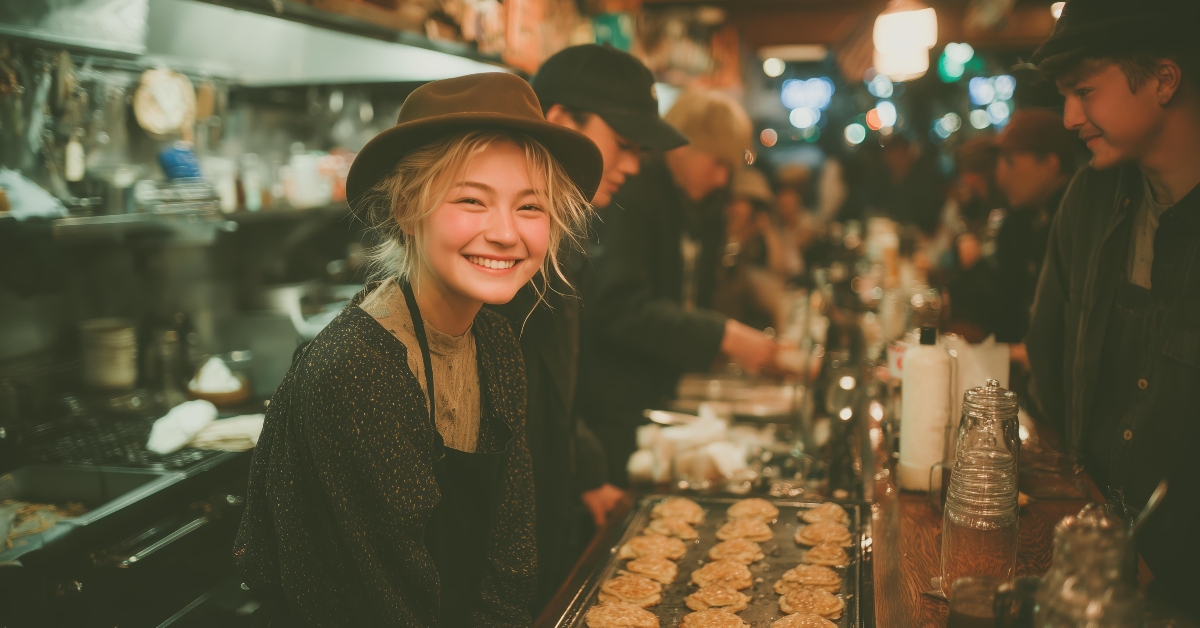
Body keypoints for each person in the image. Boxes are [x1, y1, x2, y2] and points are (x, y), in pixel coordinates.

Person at [233, 73, 601, 627]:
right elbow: (385, 606)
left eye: (530, 208)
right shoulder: (358, 371)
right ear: (407, 209)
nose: (506, 233)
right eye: (472, 200)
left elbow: (510, 561)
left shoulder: (496, 344)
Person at [487, 44, 689, 613]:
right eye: (623, 144)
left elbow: (548, 389)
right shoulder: (500, 254)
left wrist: (587, 473)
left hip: (545, 531)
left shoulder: (562, 238)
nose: (633, 164)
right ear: (559, 122)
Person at [1026, 0, 1200, 617]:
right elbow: (1047, 352)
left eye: (1084, 91)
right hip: (1088, 565)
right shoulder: (1090, 197)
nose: (1070, 117)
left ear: (1164, 79)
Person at [579, 89, 779, 487]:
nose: (724, 178)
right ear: (681, 148)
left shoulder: (702, 202)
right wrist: (723, 335)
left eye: (730, 168)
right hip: (614, 398)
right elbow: (619, 309)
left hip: (664, 387)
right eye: (717, 163)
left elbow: (694, 296)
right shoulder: (632, 195)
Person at [991, 108, 1078, 344]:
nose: (1000, 178)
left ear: (1050, 164)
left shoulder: (1078, 220)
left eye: (1010, 162)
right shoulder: (1023, 218)